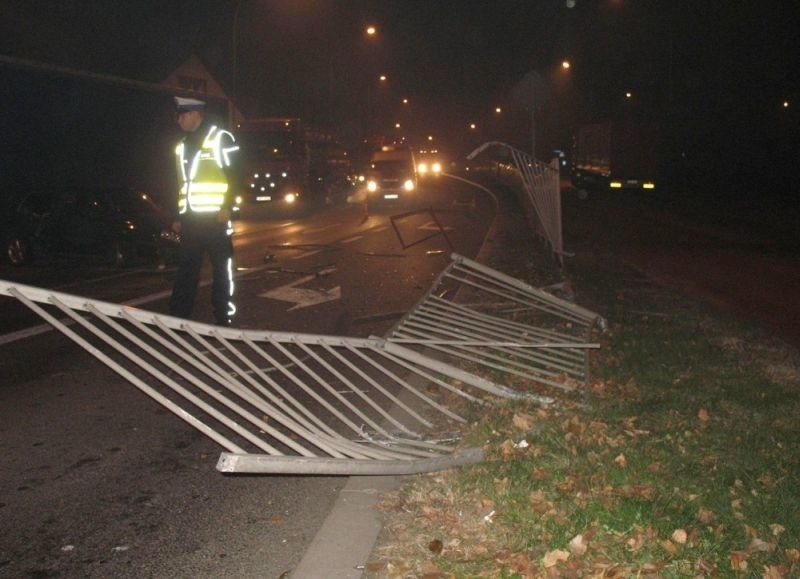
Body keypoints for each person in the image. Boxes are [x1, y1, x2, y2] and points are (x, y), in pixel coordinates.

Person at [168, 96, 240, 326]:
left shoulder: (220, 139)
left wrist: (228, 207)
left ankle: (223, 316)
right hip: (191, 220)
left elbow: (236, 175)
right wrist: (178, 216)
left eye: (183, 115)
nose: (178, 120)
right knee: (186, 271)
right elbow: (180, 184)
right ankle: (178, 319)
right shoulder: (181, 146)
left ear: (196, 114)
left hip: (216, 219)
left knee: (222, 270)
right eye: (178, 115)